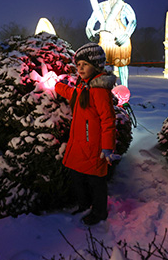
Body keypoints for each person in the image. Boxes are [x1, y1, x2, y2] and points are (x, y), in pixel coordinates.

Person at [55, 43, 120, 226]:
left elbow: (108, 120)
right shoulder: (84, 85)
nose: (80, 68)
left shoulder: (99, 89)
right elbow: (72, 93)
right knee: (78, 177)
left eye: (85, 64)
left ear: (97, 65)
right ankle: (84, 204)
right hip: (80, 143)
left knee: (96, 181)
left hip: (94, 146)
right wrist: (56, 85)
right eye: (78, 64)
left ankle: (100, 212)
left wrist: (107, 148)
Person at [86, 0, 136, 88]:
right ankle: (99, 89)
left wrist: (126, 34)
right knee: (99, 65)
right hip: (104, 40)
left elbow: (133, 20)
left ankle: (125, 93)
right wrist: (89, 30)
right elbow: (91, 21)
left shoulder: (125, 7)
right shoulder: (101, 6)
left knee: (122, 66)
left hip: (120, 40)